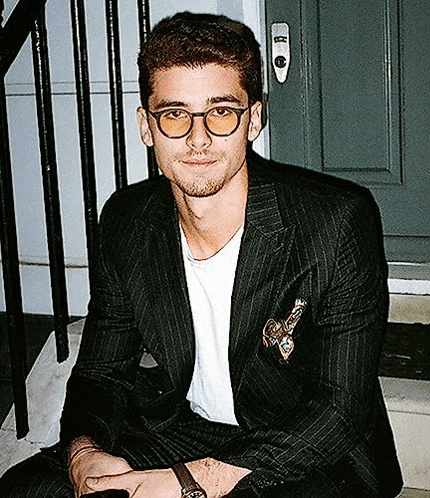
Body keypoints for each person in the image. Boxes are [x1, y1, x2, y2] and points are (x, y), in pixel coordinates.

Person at [0, 11, 403, 498]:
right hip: (187, 430)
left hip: (303, 447)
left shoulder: (336, 222)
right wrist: (85, 455)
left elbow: (338, 409)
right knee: (28, 488)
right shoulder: (127, 222)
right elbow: (101, 373)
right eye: (174, 114)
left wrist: (189, 482)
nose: (198, 138)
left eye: (221, 111)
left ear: (253, 118)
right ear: (146, 126)